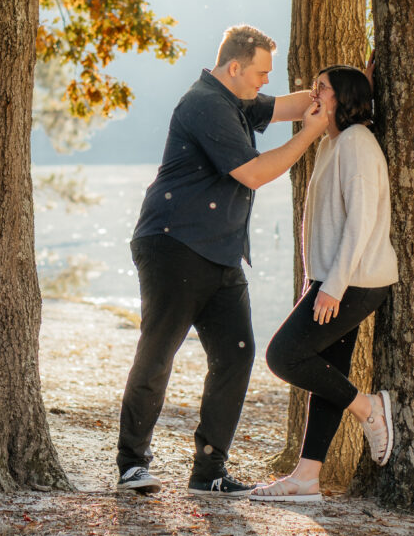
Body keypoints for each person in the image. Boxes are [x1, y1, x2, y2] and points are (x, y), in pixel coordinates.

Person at [116, 25, 328, 496]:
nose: (262, 84)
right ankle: (132, 463)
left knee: (237, 354)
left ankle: (208, 471)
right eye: (258, 74)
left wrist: (341, 87)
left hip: (220, 252)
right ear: (235, 67)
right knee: (158, 351)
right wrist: (311, 134)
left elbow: (289, 106)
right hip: (173, 244)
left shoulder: (235, 98)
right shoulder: (206, 104)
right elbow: (254, 174)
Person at [250, 64, 399, 503]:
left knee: (283, 356)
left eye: (323, 88)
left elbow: (361, 220)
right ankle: (307, 478)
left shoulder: (356, 142)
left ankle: (369, 408)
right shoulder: (334, 142)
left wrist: (331, 286)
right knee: (327, 375)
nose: (314, 93)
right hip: (336, 278)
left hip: (356, 280)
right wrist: (317, 282)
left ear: (342, 99)